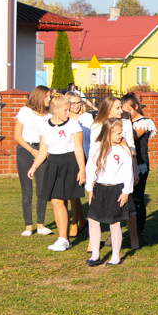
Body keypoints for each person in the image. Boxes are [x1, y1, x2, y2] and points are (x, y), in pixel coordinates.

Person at [28, 94, 86, 252]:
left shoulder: (74, 125)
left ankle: (65, 237)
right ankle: (63, 238)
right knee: (55, 201)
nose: (69, 112)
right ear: (55, 110)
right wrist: (34, 167)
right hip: (53, 164)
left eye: (69, 109)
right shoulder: (44, 126)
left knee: (62, 200)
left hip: (70, 163)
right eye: (65, 110)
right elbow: (43, 150)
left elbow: (78, 148)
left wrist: (82, 169)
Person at [84, 118, 134, 266]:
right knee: (93, 221)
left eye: (121, 133)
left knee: (114, 223)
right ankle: (95, 255)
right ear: (108, 133)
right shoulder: (97, 147)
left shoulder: (124, 150)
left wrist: (126, 191)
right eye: (118, 133)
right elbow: (91, 168)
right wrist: (90, 188)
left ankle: (115, 256)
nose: (121, 136)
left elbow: (128, 172)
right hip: (99, 188)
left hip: (116, 189)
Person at [91, 96, 139, 250]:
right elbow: (94, 152)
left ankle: (133, 237)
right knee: (96, 209)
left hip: (122, 170)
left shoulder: (125, 124)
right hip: (103, 174)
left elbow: (131, 148)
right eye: (117, 108)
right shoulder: (97, 125)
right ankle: (92, 243)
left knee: (126, 205)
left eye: (121, 107)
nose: (121, 111)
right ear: (108, 108)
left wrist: (134, 170)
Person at [14, 85, 51, 237]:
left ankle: (40, 224)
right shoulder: (25, 112)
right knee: (27, 191)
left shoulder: (49, 116)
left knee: (42, 189)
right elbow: (17, 135)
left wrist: (42, 152)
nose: (49, 99)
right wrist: (32, 151)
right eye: (47, 96)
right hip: (25, 151)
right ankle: (28, 226)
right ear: (39, 96)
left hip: (43, 151)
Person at [121, 93, 157, 241]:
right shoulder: (124, 122)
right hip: (124, 163)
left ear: (135, 107)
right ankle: (128, 226)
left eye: (127, 110)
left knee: (137, 197)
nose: (124, 114)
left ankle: (139, 230)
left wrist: (123, 122)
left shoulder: (144, 121)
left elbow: (132, 136)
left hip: (140, 163)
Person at [65, 91, 88, 239]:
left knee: (76, 191)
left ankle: (77, 222)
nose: (76, 106)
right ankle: (79, 221)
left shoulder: (87, 117)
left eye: (79, 102)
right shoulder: (64, 117)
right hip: (68, 156)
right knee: (72, 192)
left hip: (84, 154)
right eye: (73, 103)